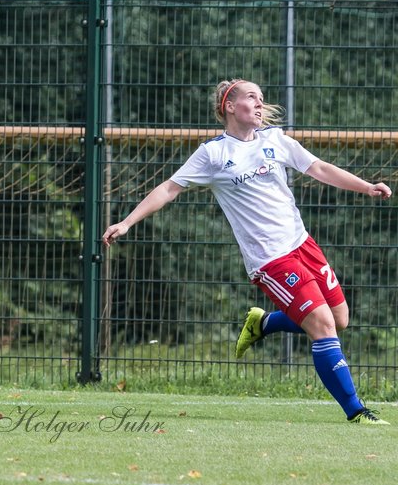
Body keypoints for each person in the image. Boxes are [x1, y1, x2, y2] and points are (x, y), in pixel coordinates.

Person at [102, 78, 391, 425]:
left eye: (261, 98)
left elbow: (319, 168)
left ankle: (265, 322)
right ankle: (357, 411)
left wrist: (366, 186)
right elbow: (168, 188)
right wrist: (128, 222)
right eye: (251, 97)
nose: (259, 103)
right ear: (229, 106)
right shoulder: (214, 154)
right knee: (323, 327)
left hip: (303, 244)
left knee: (339, 319)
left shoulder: (275, 139)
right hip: (271, 260)